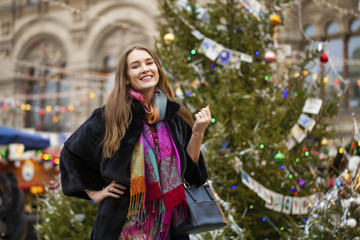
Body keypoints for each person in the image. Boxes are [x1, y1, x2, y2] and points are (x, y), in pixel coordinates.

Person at [60, 44, 211, 240]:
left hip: (171, 225)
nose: (145, 69)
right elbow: (71, 154)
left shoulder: (176, 114)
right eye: (135, 66)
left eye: (149, 63)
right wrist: (94, 192)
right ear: (126, 77)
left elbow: (192, 173)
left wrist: (197, 133)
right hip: (122, 226)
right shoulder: (110, 116)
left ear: (157, 68)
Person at [0, 171, 27, 240]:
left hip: (16, 227)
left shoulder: (15, 192)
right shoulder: (10, 192)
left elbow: (14, 211)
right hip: (14, 227)